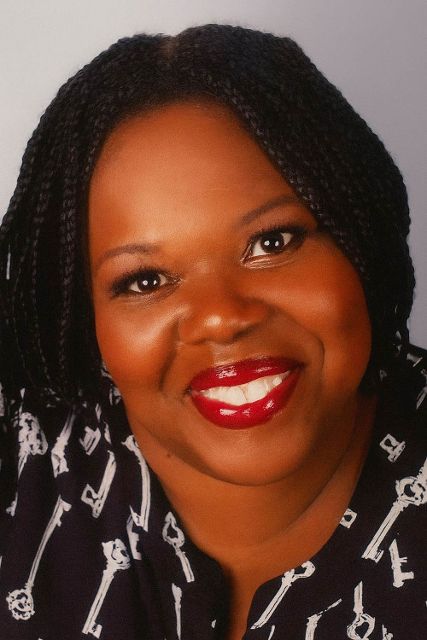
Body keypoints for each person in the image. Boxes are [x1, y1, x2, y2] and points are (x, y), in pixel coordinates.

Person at [0, 23, 425, 640]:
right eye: (145, 280)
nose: (221, 316)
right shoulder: (22, 456)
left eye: (271, 242)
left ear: (359, 238)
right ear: (83, 317)